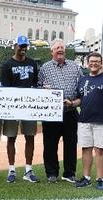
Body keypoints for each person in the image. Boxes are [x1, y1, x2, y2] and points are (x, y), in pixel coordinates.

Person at [38, 38, 83, 183]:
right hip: (52, 113)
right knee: (50, 144)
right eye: (57, 48)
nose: (60, 50)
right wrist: (44, 91)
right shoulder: (45, 68)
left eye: (62, 48)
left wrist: (73, 103)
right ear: (52, 51)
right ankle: (52, 173)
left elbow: (82, 89)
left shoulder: (75, 67)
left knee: (71, 143)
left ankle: (69, 173)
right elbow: (38, 88)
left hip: (70, 110)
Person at [0, 35, 39, 183]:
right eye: (21, 46)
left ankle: (28, 170)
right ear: (15, 46)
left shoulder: (32, 63)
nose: (23, 49)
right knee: (11, 137)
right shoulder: (7, 64)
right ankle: (11, 170)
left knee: (30, 136)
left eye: (25, 46)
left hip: (28, 105)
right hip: (12, 105)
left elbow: (35, 84)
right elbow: (5, 87)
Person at [64, 52, 103, 190]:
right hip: (84, 120)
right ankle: (86, 178)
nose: (94, 63)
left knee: (100, 150)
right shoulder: (83, 79)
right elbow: (81, 99)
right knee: (86, 149)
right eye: (91, 61)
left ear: (101, 63)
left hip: (100, 121)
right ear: (87, 63)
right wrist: (71, 103)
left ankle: (100, 179)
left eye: (97, 61)